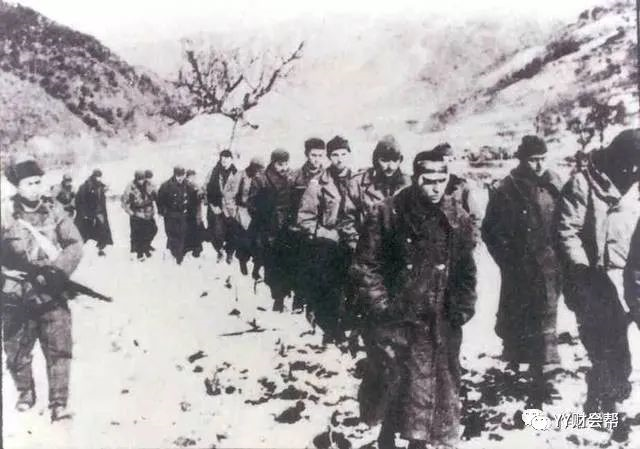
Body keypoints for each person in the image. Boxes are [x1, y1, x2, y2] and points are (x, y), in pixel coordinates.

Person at [351, 145, 478, 449]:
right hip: (398, 318)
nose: (435, 188)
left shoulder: (457, 217)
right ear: (415, 177)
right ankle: (386, 437)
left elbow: (466, 270)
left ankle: (418, 443)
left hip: (439, 319)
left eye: (441, 180)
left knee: (436, 387)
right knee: (394, 384)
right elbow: (366, 265)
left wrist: (462, 308)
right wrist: (381, 306)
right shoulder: (388, 212)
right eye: (428, 180)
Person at [556, 128, 640, 416]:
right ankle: (605, 407)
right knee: (606, 345)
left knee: (622, 347)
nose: (633, 173)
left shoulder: (636, 185)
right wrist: (581, 270)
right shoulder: (582, 185)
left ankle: (609, 394)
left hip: (632, 276)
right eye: (630, 166)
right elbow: (566, 232)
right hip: (594, 280)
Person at [482, 135, 564, 409]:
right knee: (520, 317)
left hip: (550, 263)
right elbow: (490, 231)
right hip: (520, 266)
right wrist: (508, 261)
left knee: (547, 317)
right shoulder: (507, 188)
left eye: (542, 159)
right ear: (522, 159)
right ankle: (522, 364)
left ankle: (546, 376)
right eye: (533, 160)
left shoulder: (554, 183)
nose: (539, 165)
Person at [1, 157, 83, 422]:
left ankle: (59, 402)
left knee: (59, 348)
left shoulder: (54, 210)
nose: (35, 188)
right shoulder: (5, 213)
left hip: (51, 291)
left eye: (38, 182)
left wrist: (57, 272)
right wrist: (5, 273)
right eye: (29, 183)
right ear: (17, 186)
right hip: (16, 294)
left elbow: (74, 244)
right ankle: (25, 393)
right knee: (16, 350)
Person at [297, 135, 353, 343]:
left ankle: (348, 326)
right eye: (335, 155)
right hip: (328, 242)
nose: (340, 159)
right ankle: (330, 329)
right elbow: (305, 217)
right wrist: (327, 234)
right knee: (329, 286)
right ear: (329, 157)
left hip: (354, 239)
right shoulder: (317, 183)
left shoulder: (358, 181)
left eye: (343, 154)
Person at [248, 149, 296, 312]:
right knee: (272, 263)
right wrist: (265, 216)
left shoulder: (291, 177)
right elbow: (251, 204)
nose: (284, 167)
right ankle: (277, 297)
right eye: (280, 164)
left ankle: (285, 295)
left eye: (286, 164)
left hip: (288, 226)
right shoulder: (261, 179)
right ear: (273, 163)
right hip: (268, 228)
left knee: (287, 261)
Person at [289, 137, 326, 311]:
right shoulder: (295, 176)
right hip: (297, 227)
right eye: (313, 155)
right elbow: (286, 203)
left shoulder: (326, 176)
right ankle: (298, 297)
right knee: (298, 263)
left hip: (319, 226)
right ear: (306, 154)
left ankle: (312, 301)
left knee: (316, 264)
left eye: (320, 155)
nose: (317, 159)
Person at [205, 149, 241, 263]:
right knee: (216, 232)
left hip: (231, 209)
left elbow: (239, 192)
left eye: (226, 158)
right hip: (217, 207)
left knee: (232, 233)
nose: (224, 160)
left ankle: (230, 253)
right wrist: (212, 203)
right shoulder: (214, 172)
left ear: (231, 159)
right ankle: (219, 250)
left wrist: (235, 206)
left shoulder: (236, 173)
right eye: (222, 159)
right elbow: (208, 188)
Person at [235, 157, 265, 276]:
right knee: (245, 240)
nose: (258, 172)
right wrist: (234, 212)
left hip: (258, 213)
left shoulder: (262, 178)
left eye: (260, 170)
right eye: (257, 169)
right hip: (243, 212)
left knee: (259, 242)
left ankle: (256, 269)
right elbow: (231, 194)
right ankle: (242, 262)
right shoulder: (240, 175)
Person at [157, 166, 191, 265]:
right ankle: (174, 253)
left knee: (182, 235)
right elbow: (160, 200)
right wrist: (163, 212)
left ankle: (178, 256)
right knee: (172, 235)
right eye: (178, 176)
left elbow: (193, 193)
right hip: (171, 215)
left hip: (183, 215)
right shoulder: (166, 186)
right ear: (174, 175)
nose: (180, 178)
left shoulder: (187, 184)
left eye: (182, 176)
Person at [74, 169, 113, 256]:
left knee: (102, 230)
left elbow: (101, 196)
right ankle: (80, 250)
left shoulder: (100, 186)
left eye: (100, 177)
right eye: (97, 177)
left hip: (99, 212)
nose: (99, 178)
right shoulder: (85, 186)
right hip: (88, 213)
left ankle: (100, 248)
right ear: (93, 176)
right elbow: (80, 201)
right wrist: (84, 213)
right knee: (85, 232)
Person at [121, 170, 158, 261]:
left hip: (148, 213)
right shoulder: (130, 187)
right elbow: (124, 202)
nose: (141, 181)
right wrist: (130, 212)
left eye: (143, 179)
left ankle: (146, 247)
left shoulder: (149, 184)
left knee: (153, 230)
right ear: (136, 179)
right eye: (139, 179)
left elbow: (156, 195)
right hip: (137, 215)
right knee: (139, 235)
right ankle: (140, 254)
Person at [184, 169, 205, 258]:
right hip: (190, 213)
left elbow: (201, 195)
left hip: (194, 212)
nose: (193, 178)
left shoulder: (195, 185)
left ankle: (195, 250)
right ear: (188, 177)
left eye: (194, 177)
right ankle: (193, 249)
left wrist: (201, 195)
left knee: (194, 231)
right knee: (191, 231)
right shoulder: (186, 185)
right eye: (192, 177)